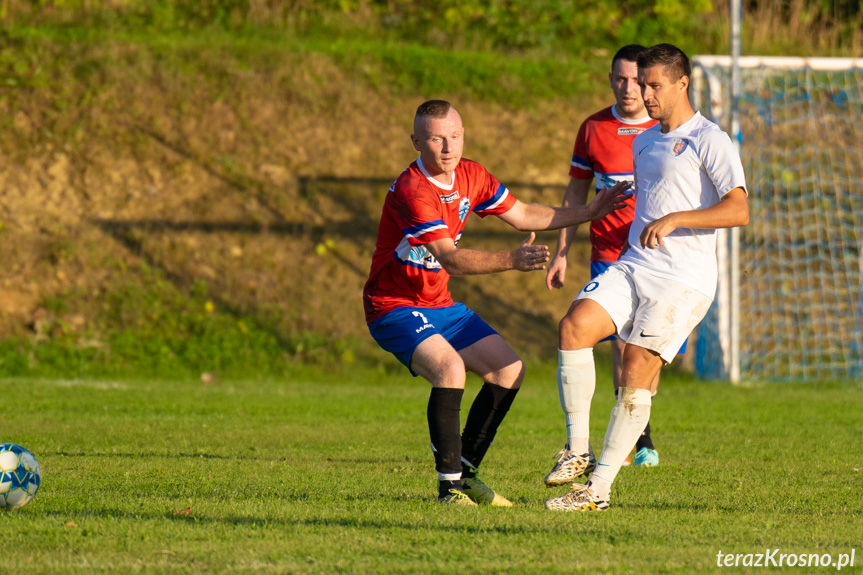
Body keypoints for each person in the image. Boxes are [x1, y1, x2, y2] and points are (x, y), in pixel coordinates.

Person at [363, 99, 632, 506]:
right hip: (393, 305)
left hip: (439, 303)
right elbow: (449, 257)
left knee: (509, 369)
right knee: (450, 370)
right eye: (436, 139)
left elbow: (523, 215)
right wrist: (511, 260)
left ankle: (466, 472)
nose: (448, 147)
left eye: (455, 136)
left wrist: (587, 211)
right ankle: (449, 489)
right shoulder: (412, 190)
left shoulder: (471, 174)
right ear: (417, 141)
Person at [543, 43, 749, 511]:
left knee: (635, 364)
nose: (644, 93)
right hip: (635, 264)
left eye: (654, 85)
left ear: (682, 83)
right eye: (640, 83)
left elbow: (739, 209)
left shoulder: (710, 139)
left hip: (685, 279)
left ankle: (597, 492)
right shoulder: (643, 140)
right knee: (573, 327)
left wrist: (678, 218)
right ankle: (577, 451)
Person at [544, 44, 667, 475]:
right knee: (618, 340)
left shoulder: (666, 127)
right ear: (610, 78)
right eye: (620, 78)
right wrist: (562, 252)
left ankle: (639, 430)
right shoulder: (594, 128)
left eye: (637, 80)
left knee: (646, 346)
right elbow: (576, 193)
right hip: (609, 253)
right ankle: (633, 440)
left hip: (657, 255)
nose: (628, 88)